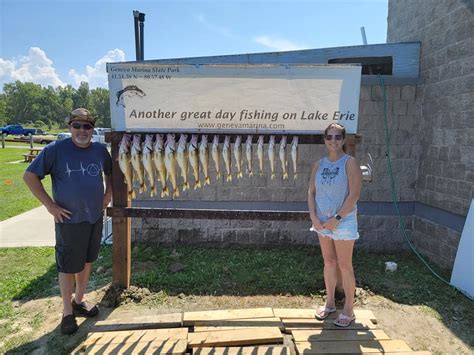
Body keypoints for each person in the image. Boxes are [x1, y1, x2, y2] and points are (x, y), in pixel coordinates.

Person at [23, 108, 112, 335]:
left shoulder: (100, 151)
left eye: (87, 126)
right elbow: (30, 176)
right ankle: (66, 312)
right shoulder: (55, 150)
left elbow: (111, 174)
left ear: (93, 129)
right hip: (69, 220)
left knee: (87, 260)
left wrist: (107, 195)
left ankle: (79, 300)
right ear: (70, 127)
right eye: (77, 125)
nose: (82, 130)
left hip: (93, 217)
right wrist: (50, 206)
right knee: (67, 265)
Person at [308, 122, 362, 327]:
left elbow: (354, 195)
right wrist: (314, 216)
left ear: (344, 140)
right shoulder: (318, 164)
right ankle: (329, 302)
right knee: (329, 262)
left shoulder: (350, 163)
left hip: (343, 222)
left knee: (344, 264)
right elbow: (311, 191)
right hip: (322, 222)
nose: (333, 141)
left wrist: (337, 219)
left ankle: (349, 308)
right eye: (329, 137)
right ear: (324, 140)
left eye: (337, 137)